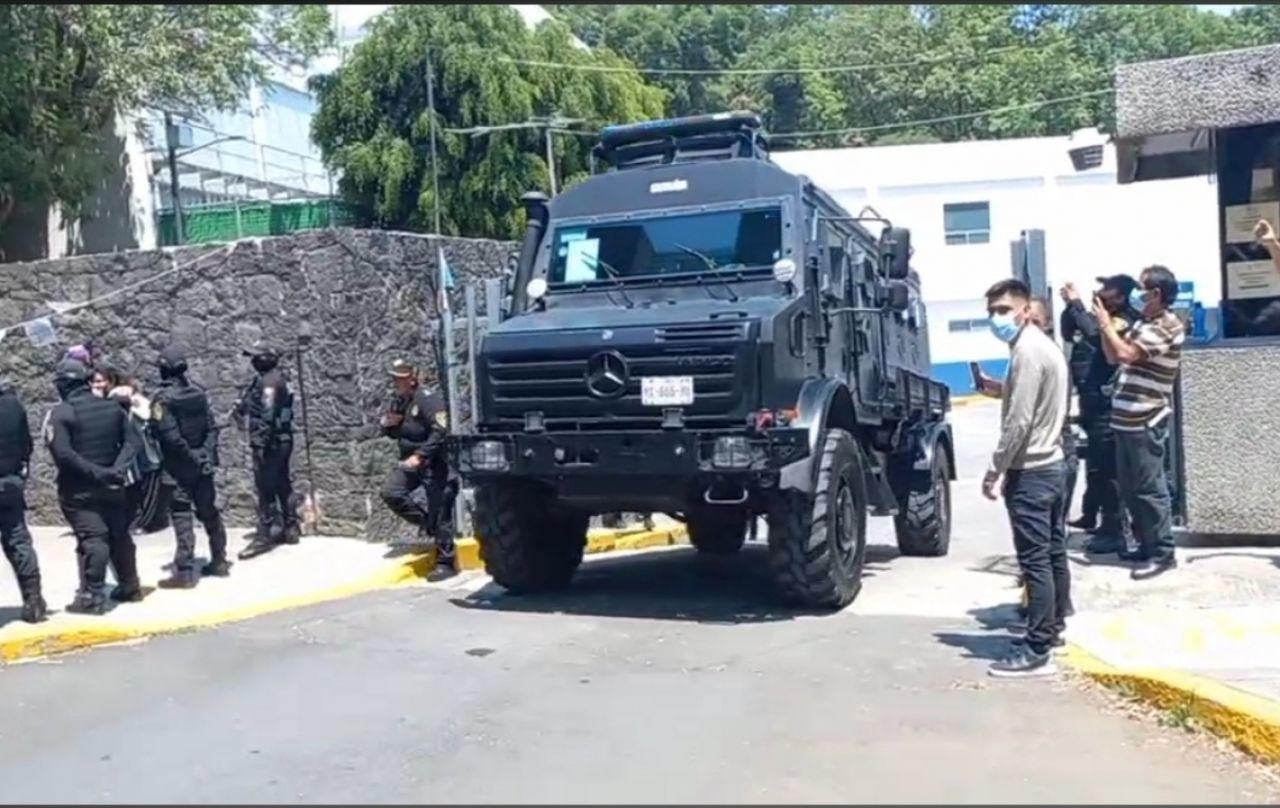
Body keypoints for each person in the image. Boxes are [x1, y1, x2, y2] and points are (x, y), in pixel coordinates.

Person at [981, 279, 1071, 678]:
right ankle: (1050, 630)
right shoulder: (1041, 346)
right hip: (1051, 464)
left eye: (1003, 310)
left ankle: (1037, 648)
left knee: (1035, 560)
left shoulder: (1028, 352)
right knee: (1052, 554)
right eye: (991, 312)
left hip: (1032, 470)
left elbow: (1019, 423)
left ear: (1024, 310)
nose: (996, 318)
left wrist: (995, 469)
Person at [1094, 265, 1185, 580]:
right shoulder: (1144, 323)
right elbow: (1111, 355)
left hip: (1146, 419)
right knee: (1131, 489)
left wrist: (1106, 324)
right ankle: (1146, 543)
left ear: (1156, 293)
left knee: (1149, 488)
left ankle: (1163, 552)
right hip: (1126, 421)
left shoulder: (1167, 326)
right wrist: (1105, 327)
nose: (1137, 294)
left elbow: (1127, 354)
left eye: (1142, 288)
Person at [46, 358, 142, 614]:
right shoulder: (112, 408)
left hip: (80, 489)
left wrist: (99, 473)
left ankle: (92, 596)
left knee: (94, 538)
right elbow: (134, 442)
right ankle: (130, 585)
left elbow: (64, 455)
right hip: (113, 485)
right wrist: (116, 470)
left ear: (64, 385)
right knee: (119, 535)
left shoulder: (62, 413)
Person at [1060, 275, 1140, 555]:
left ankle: (1114, 530)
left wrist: (1078, 305)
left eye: (1108, 289)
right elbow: (1072, 332)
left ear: (1120, 296)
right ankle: (1094, 518)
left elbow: (1095, 334)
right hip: (1090, 402)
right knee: (1096, 467)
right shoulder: (1098, 315)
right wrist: (1070, 308)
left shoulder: (1122, 320)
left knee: (1109, 471)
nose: (1101, 293)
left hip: (1108, 406)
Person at [151, 346, 229, 588]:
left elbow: (170, 437)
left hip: (179, 468)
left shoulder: (162, 400)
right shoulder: (198, 393)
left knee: (182, 513)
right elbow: (211, 429)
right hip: (201, 465)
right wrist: (204, 456)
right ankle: (219, 559)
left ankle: (184, 570)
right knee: (208, 511)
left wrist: (194, 458)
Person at [378, 359, 456, 582]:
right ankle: (427, 524)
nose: (395, 382)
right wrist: (387, 425)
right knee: (391, 492)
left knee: (440, 510)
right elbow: (397, 431)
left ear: (411, 378)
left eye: (400, 378)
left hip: (434, 462)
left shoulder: (427, 398)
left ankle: (446, 562)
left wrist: (421, 455)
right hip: (410, 461)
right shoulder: (400, 401)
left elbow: (441, 429)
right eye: (394, 378)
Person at [235, 342, 301, 559]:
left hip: (271, 443)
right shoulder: (266, 379)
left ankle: (263, 537)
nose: (251, 361)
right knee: (283, 483)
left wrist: (261, 443)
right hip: (281, 440)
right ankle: (291, 528)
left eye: (255, 357)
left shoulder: (269, 383)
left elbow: (268, 412)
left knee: (264, 489)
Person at [0, 377, 46, 623]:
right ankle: (34, 600)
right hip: (9, 483)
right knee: (18, 541)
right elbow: (26, 446)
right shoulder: (13, 406)